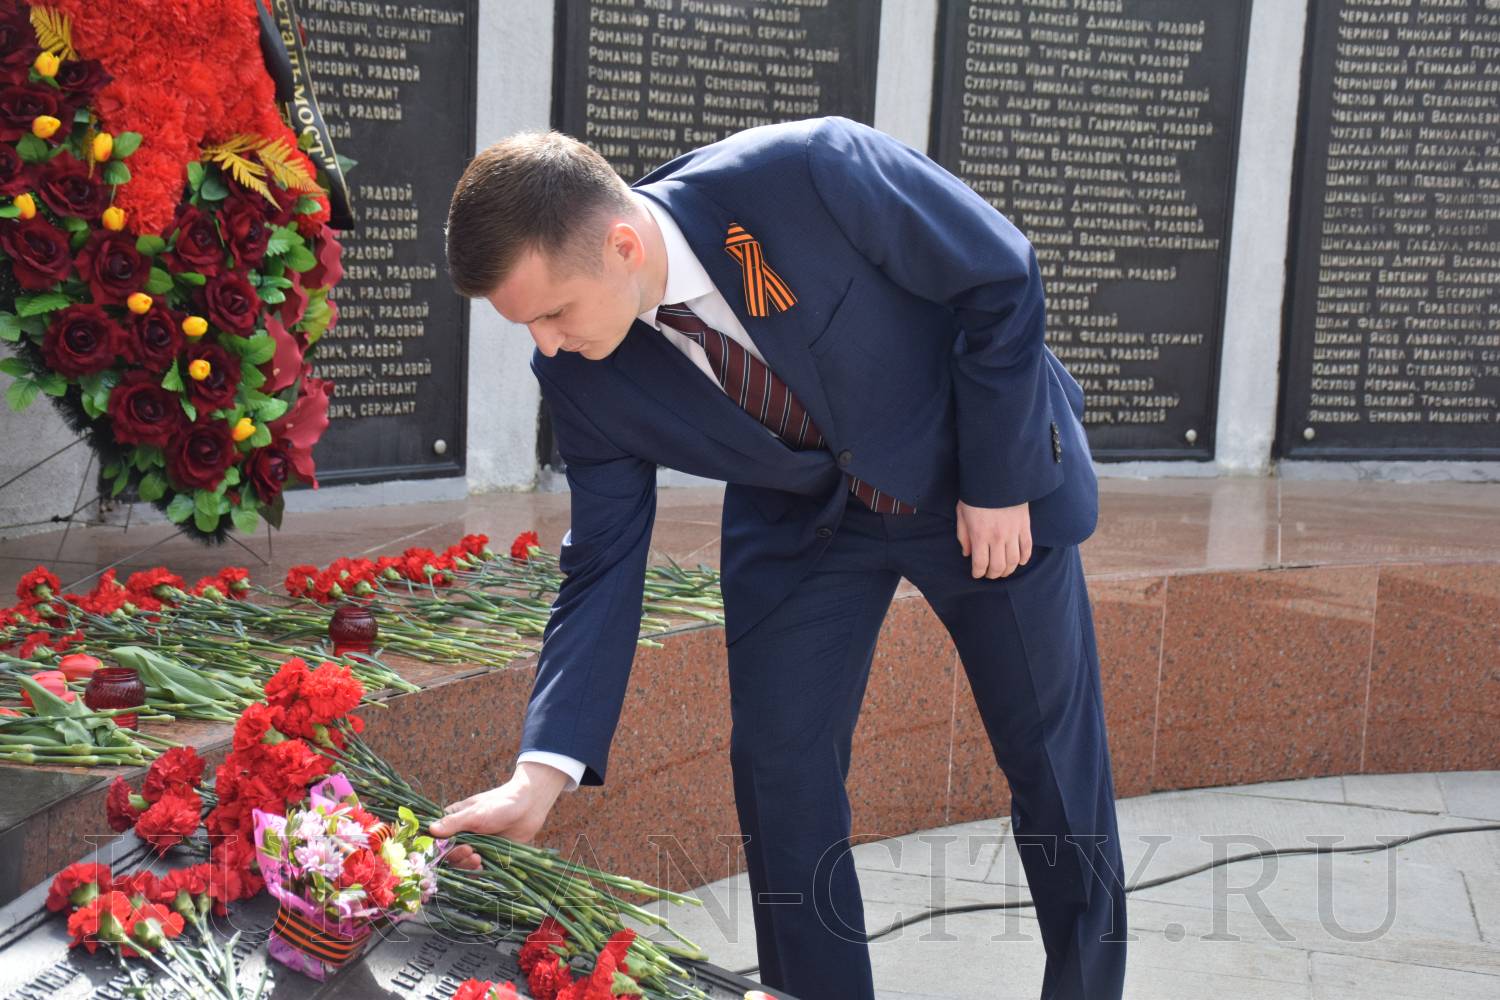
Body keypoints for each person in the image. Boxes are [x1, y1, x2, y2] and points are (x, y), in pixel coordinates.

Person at [430, 116, 1127, 1000]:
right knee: (779, 774)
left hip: (975, 481)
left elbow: (999, 276)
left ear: (621, 246)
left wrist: (999, 478)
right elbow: (602, 560)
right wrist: (539, 776)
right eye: (525, 324)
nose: (545, 343)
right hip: (804, 522)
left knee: (1055, 770)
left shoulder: (811, 171)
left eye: (552, 312)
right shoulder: (579, 371)